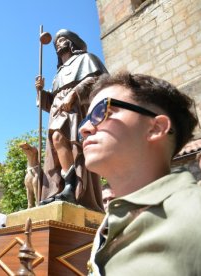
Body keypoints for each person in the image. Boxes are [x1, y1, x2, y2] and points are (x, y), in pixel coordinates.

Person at [78, 72, 201, 275]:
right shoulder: (109, 226)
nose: (85, 129)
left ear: (156, 128)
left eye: (103, 111)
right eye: (85, 120)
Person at [35, 29, 107, 211]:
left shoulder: (86, 59)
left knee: (62, 138)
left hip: (76, 108)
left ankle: (72, 186)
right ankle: (62, 187)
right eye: (56, 42)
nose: (58, 43)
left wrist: (75, 93)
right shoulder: (58, 73)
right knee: (56, 142)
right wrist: (41, 92)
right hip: (57, 109)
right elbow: (50, 102)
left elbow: (100, 79)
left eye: (62, 40)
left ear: (72, 42)